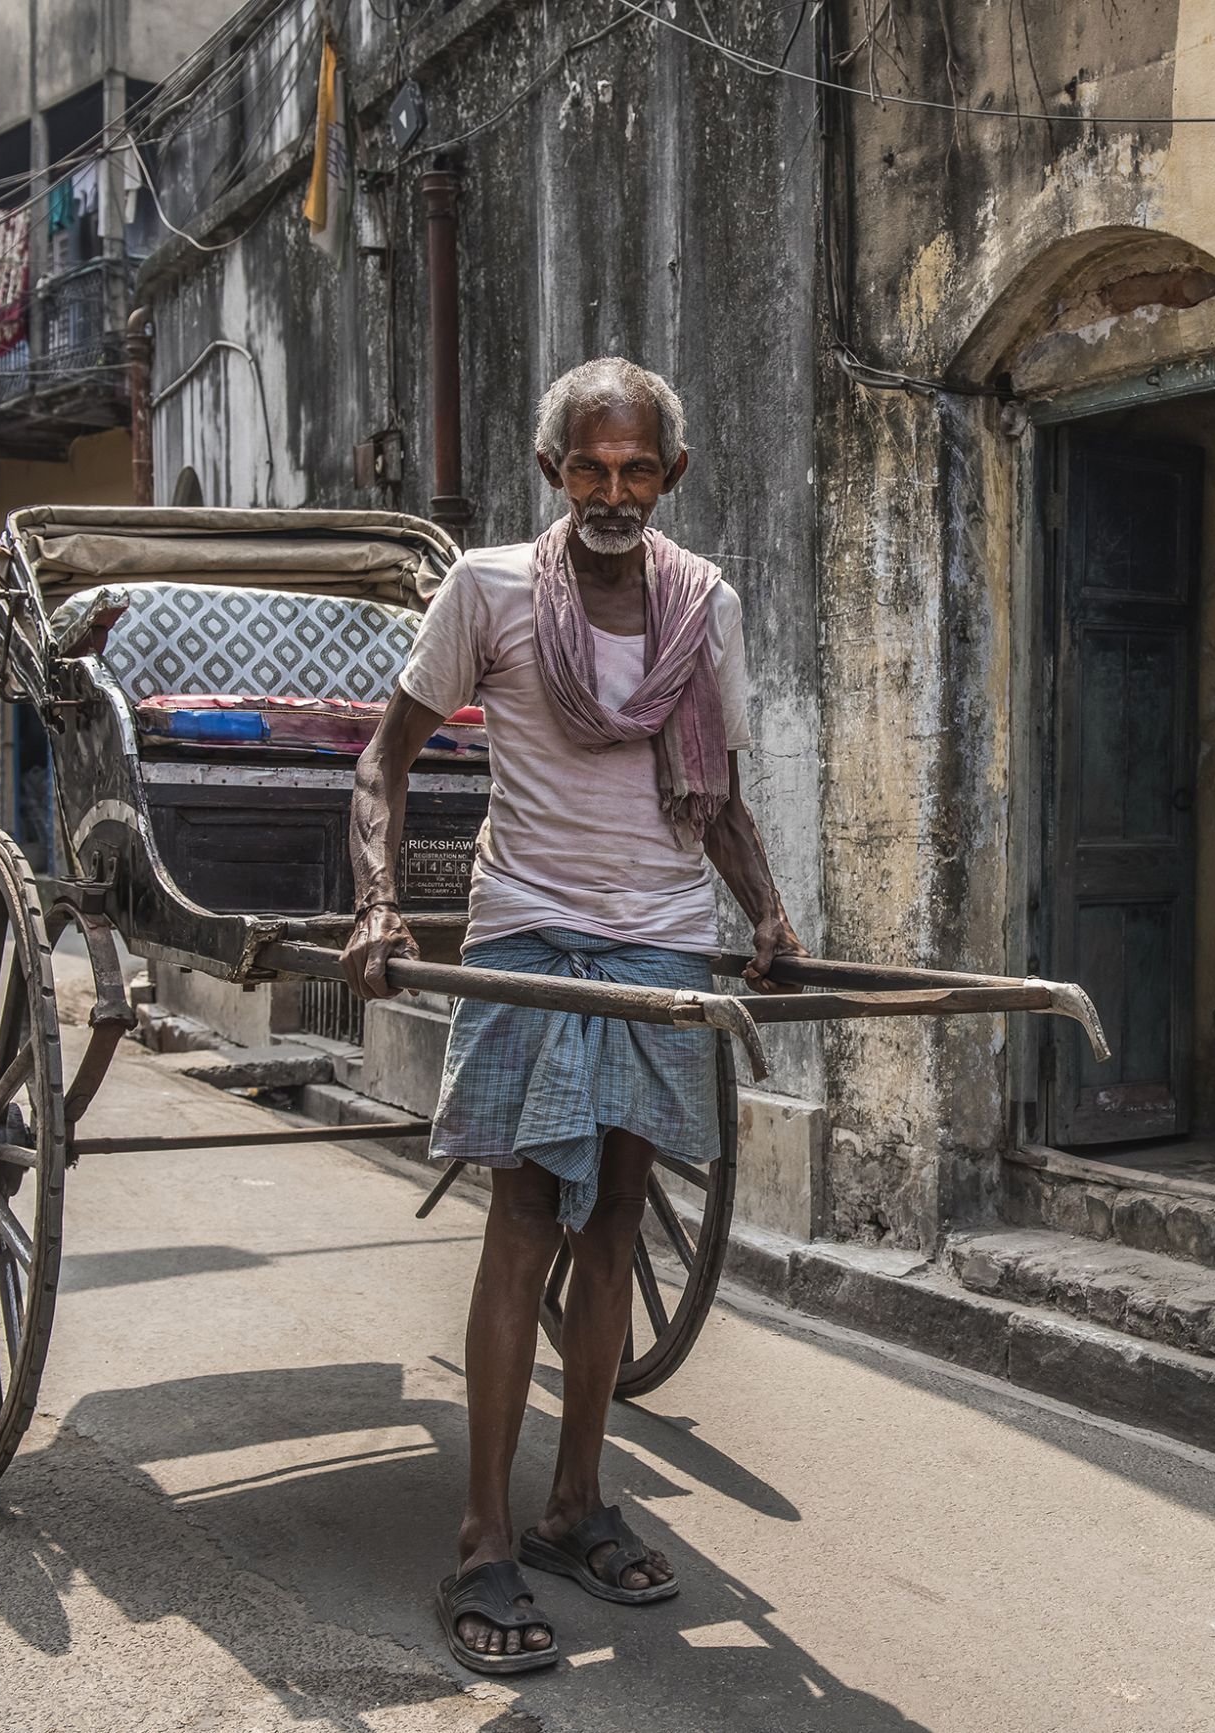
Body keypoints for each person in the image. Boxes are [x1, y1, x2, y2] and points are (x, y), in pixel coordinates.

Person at [342, 356, 803, 1674]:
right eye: (591, 469)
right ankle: (485, 1536)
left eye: (636, 470)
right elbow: (385, 762)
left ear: (671, 478)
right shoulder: (486, 590)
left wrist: (765, 914)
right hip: (529, 929)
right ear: (554, 471)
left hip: (659, 942)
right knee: (528, 1216)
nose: (613, 492)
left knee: (615, 1224)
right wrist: (377, 902)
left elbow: (712, 794)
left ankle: (574, 1501)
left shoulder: (702, 603)